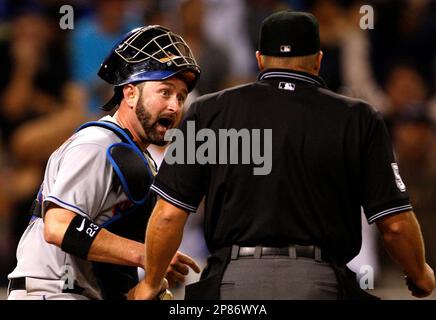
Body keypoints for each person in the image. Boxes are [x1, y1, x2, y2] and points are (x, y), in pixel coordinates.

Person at [129, 11, 435, 300]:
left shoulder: (209, 110)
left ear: (260, 60)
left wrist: (151, 283)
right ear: (318, 60)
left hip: (235, 281)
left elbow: (169, 214)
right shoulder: (358, 118)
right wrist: (419, 273)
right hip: (321, 282)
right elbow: (394, 224)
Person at [7, 25, 201, 300]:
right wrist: (146, 256)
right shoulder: (98, 144)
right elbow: (59, 225)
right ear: (130, 94)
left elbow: (106, 254)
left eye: (181, 97)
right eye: (165, 92)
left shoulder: (138, 158)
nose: (175, 106)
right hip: (52, 291)